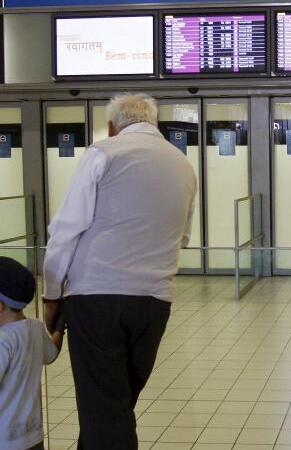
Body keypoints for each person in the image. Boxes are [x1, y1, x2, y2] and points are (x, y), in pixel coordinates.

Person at [41, 93, 197, 450]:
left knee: (105, 408)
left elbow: (65, 230)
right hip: (154, 302)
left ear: (113, 126)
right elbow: (183, 237)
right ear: (153, 124)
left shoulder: (103, 153)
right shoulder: (183, 165)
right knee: (116, 404)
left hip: (96, 297)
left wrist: (51, 294)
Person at [0, 257, 63, 450]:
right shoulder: (35, 329)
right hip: (32, 436)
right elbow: (51, 354)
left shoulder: (3, 340)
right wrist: (59, 329)